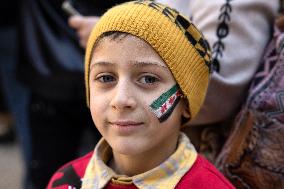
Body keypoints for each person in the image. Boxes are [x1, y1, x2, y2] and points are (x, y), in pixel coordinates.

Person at [47, 1, 235, 189]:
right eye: (105, 78)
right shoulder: (65, 181)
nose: (120, 100)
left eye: (148, 80)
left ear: (185, 101)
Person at [18, 0, 129, 188]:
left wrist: (115, 27)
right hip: (51, 60)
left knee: (118, 166)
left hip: (107, 56)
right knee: (50, 170)